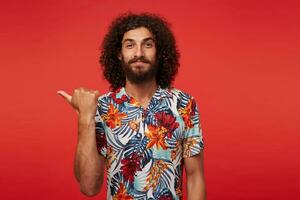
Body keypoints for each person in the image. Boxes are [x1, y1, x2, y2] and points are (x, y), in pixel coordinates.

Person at [57, 12, 206, 200]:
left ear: (159, 52)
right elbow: (89, 187)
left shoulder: (184, 104)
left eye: (148, 44)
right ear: (119, 54)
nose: (139, 53)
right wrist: (85, 116)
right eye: (130, 45)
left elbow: (195, 177)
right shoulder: (102, 107)